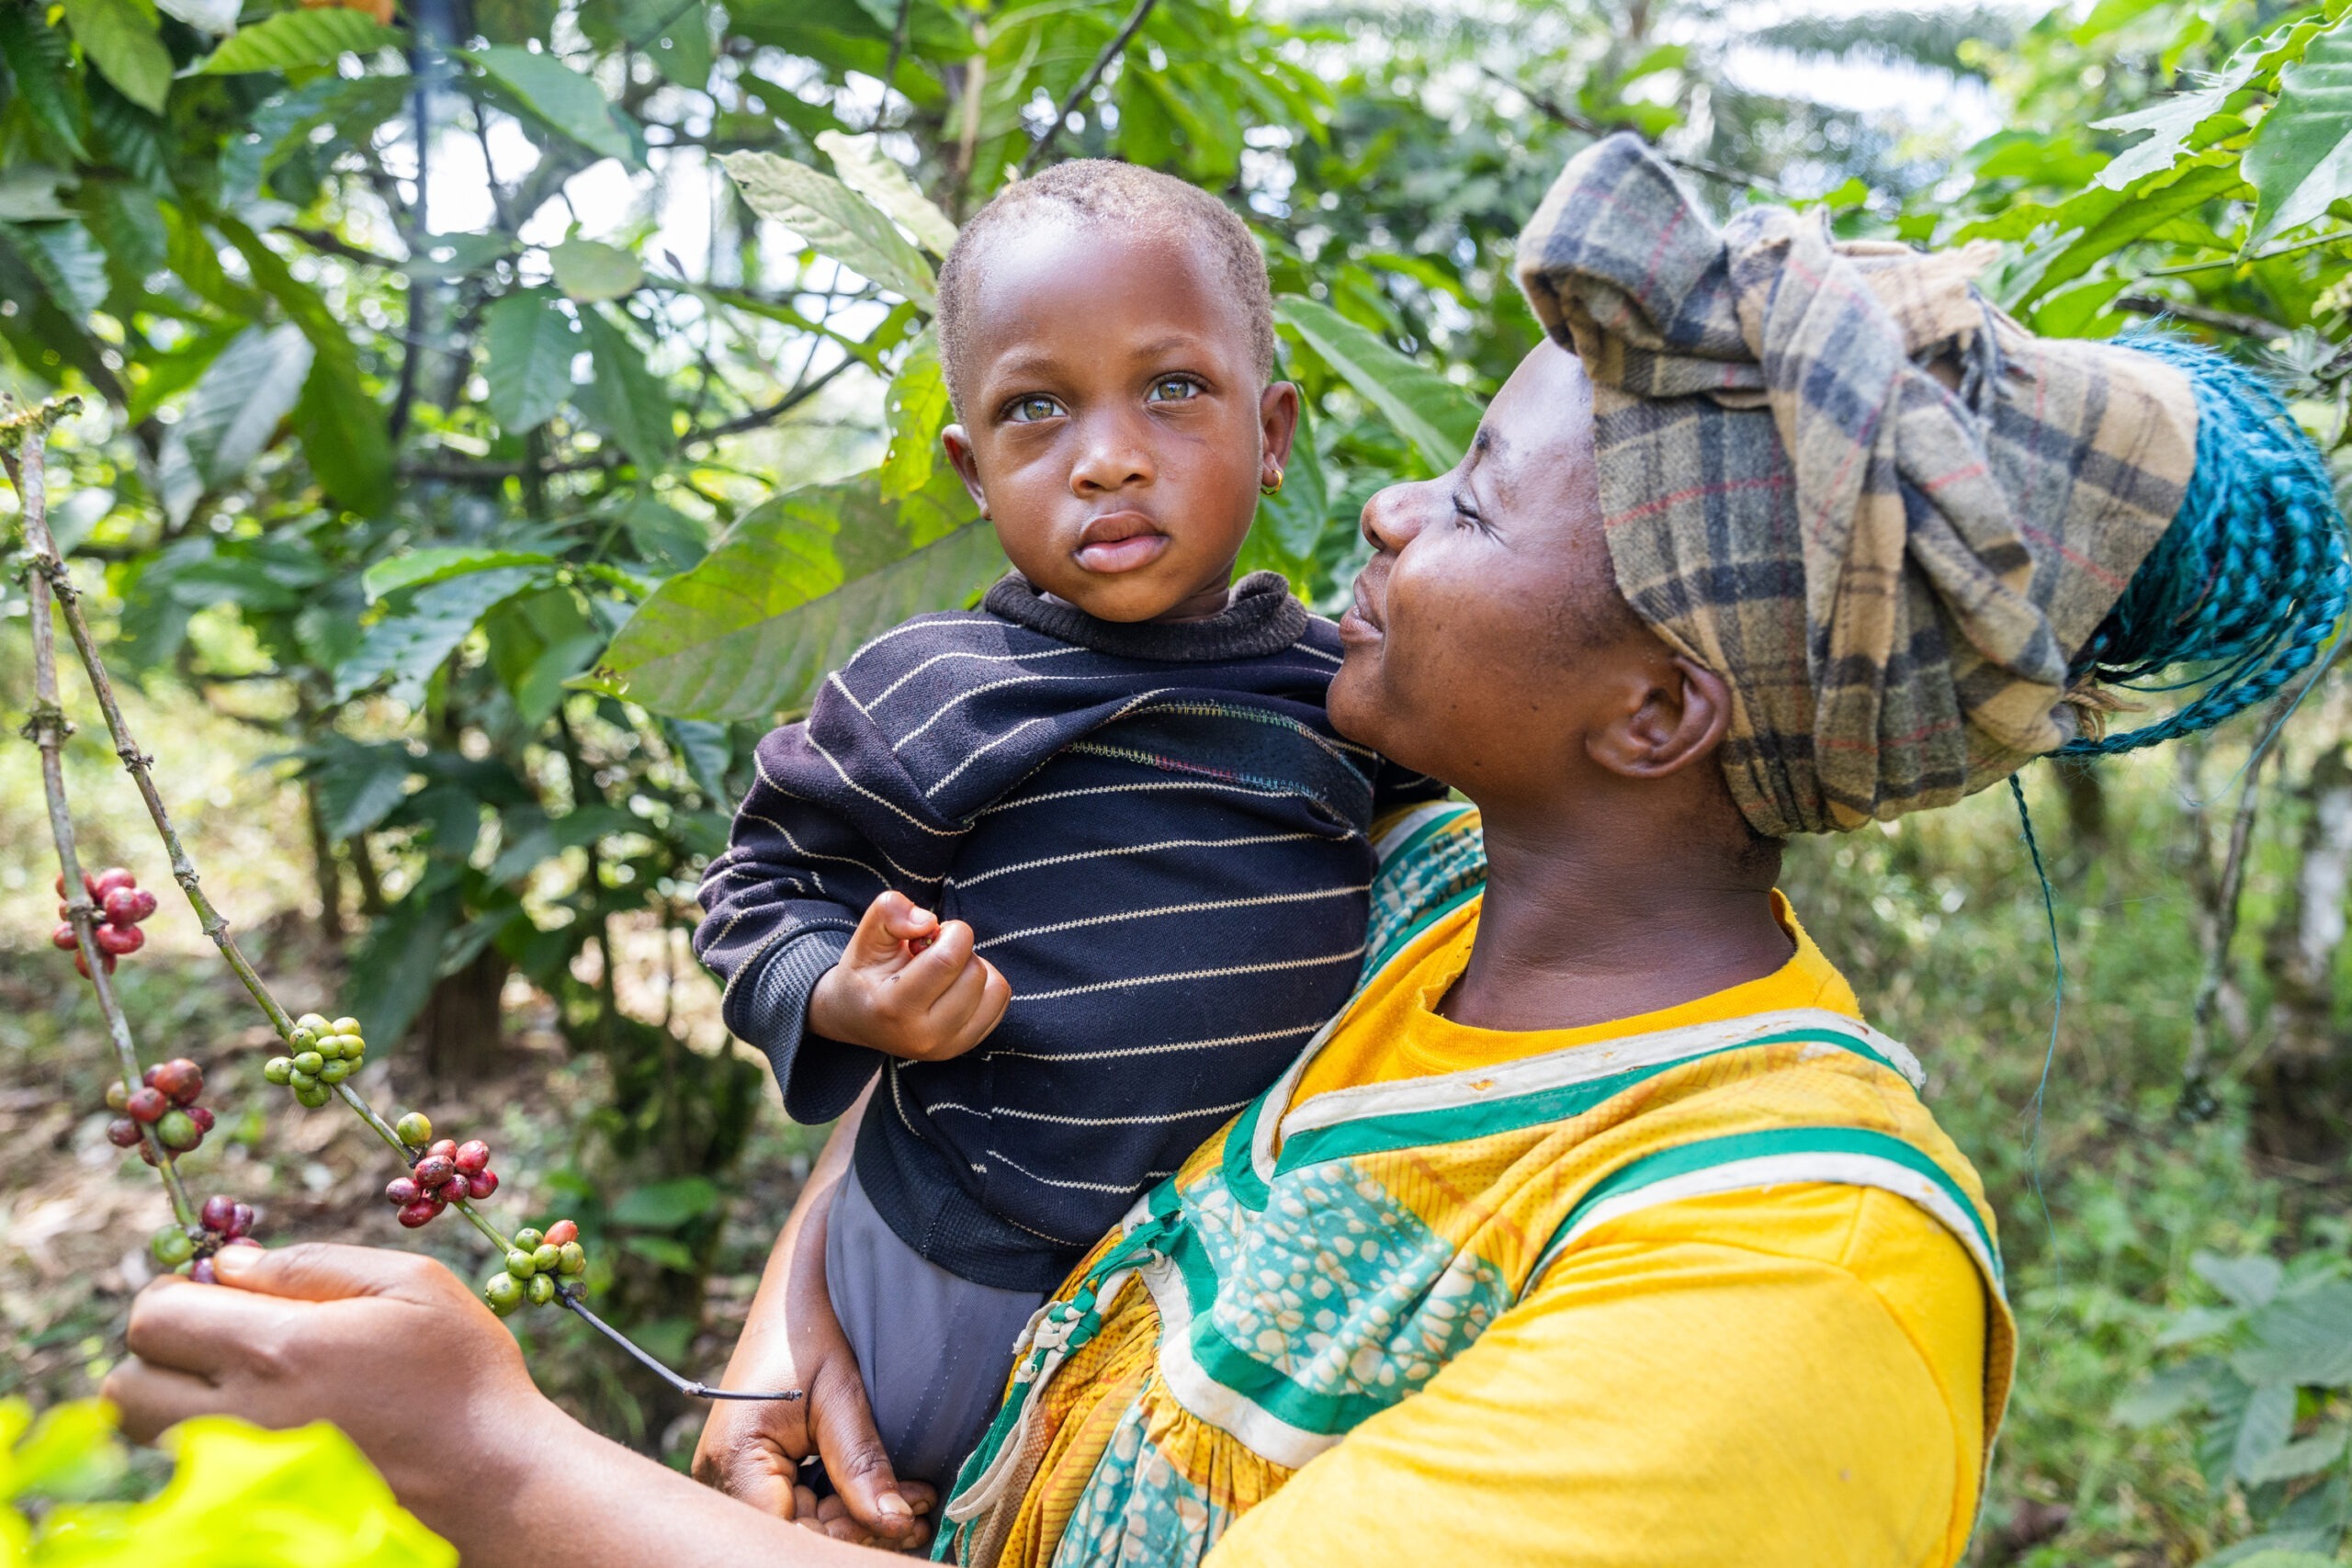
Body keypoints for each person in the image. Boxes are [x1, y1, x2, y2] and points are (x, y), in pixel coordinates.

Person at [101, 135, 2346, 1568]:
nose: (1380, 505)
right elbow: (1034, 980)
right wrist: (804, 1313)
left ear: (1655, 711)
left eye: (1470, 498)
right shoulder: (1428, 896)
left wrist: (491, 1456)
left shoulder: (1776, 1279)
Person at [692, 158, 1441, 1495]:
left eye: (1174, 388)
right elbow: (759, 891)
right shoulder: (926, 692)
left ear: (1273, 431)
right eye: (1036, 409)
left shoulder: (1339, 696)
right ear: (974, 472)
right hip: (962, 1264)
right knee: (877, 1510)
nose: (1108, 457)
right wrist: (849, 998)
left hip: (1237, 1282)